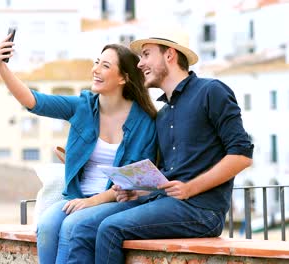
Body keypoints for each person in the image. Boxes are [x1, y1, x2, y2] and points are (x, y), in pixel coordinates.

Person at [64, 31, 254, 264]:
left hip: (202, 211)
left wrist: (190, 188)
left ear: (170, 55)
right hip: (164, 202)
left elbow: (242, 155)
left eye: (146, 54)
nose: (140, 63)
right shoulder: (162, 115)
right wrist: (137, 190)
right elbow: (166, 176)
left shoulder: (211, 91)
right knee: (83, 226)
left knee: (110, 228)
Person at [0, 33, 158, 264]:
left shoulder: (144, 122)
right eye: (96, 63)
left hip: (116, 201)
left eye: (105, 65)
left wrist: (91, 202)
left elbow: (135, 181)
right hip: (76, 198)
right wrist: (1, 67)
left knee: (73, 224)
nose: (96, 70)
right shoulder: (83, 106)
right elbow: (33, 101)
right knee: (48, 225)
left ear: (123, 78)